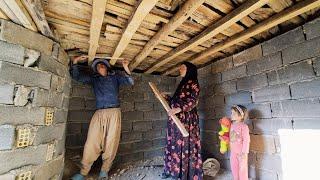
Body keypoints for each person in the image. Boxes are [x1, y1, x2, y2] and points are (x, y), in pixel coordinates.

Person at [70, 56, 134, 180]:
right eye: (98, 66)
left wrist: (126, 67)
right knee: (92, 142)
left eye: (102, 65)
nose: (100, 66)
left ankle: (104, 171)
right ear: (96, 70)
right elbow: (77, 76)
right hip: (99, 113)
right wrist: (75, 62)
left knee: (111, 142)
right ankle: (83, 172)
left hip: (114, 112)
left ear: (106, 67)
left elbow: (130, 82)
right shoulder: (94, 79)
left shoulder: (115, 77)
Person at [161, 62, 203, 180]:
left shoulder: (193, 83)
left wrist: (179, 109)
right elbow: (177, 101)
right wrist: (167, 98)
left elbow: (194, 101)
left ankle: (185, 174)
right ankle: (173, 171)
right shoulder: (182, 84)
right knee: (174, 144)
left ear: (189, 70)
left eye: (183, 67)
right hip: (176, 119)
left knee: (185, 144)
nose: (179, 69)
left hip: (187, 120)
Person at [229, 105, 250, 180]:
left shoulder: (244, 126)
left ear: (241, 116)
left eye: (233, 113)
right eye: (231, 113)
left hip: (241, 152)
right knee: (234, 167)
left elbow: (246, 140)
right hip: (233, 152)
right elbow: (230, 137)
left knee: (242, 169)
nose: (231, 115)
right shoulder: (231, 125)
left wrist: (244, 152)